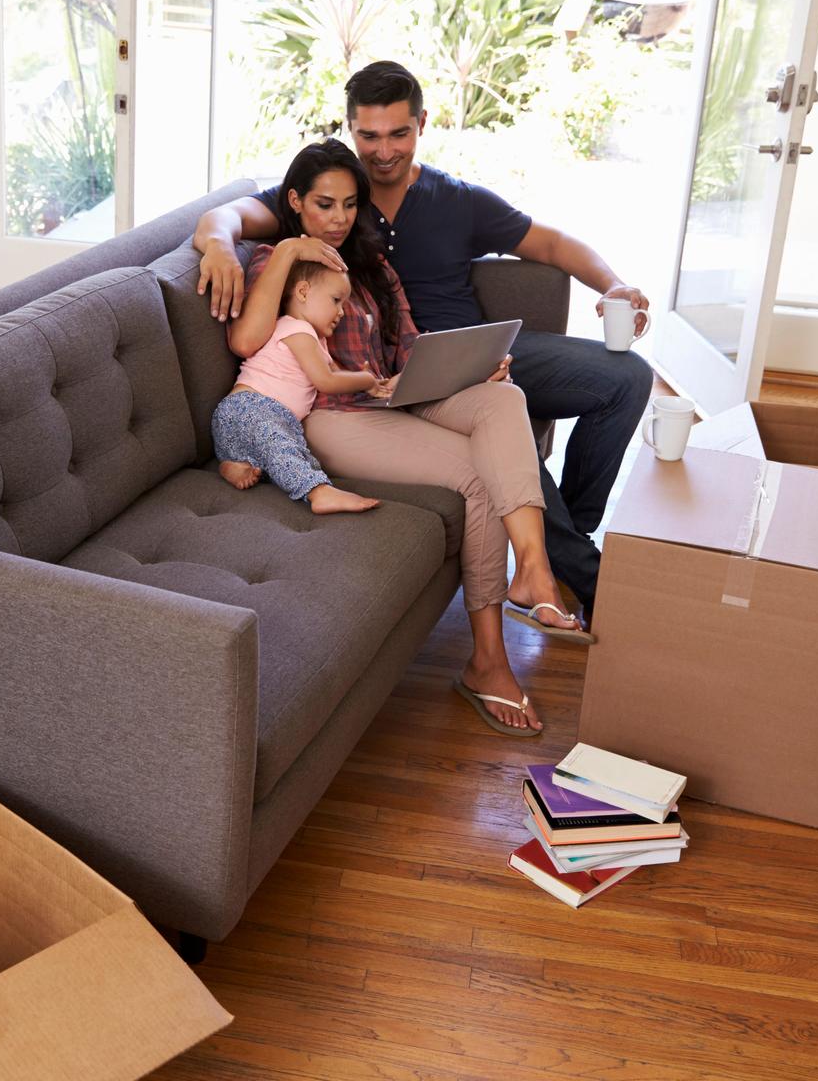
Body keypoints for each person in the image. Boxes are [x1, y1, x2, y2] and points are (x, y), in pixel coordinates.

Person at [194, 60, 652, 629]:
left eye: (398, 134)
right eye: (368, 136)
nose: (384, 151)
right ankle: (583, 574)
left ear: (421, 125)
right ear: (349, 130)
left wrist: (613, 285)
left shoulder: (455, 200)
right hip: (400, 376)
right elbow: (227, 215)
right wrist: (215, 243)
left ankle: (569, 540)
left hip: (470, 354)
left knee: (629, 377)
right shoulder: (331, 195)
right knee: (498, 439)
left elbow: (553, 243)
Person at [224, 138, 575, 736]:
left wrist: (469, 367)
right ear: (295, 202)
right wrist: (288, 249)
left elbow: (406, 346)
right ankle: (489, 662)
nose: (338, 219)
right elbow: (246, 341)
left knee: (502, 398)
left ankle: (534, 569)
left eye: (350, 205)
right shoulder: (276, 263)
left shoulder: (371, 265)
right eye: (324, 205)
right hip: (337, 417)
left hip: (397, 393)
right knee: (475, 474)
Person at [211, 257, 387, 515]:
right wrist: (367, 379)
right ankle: (318, 493)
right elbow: (326, 381)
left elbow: (337, 375)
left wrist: (368, 383)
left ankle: (232, 464)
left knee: (296, 455)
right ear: (303, 291)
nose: (341, 312)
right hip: (251, 409)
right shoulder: (297, 329)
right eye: (336, 300)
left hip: (245, 422)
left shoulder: (313, 340)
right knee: (283, 447)